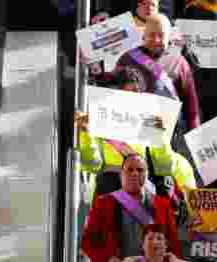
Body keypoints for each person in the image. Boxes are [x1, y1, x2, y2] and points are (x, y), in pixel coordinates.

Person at [74, 68, 197, 201]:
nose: (135, 99)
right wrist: (85, 133)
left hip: (142, 200)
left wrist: (158, 134)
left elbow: (164, 166)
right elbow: (92, 164)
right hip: (108, 199)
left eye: (138, 94)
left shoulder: (148, 121)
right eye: (129, 93)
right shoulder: (98, 121)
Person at [80, 156, 181, 262]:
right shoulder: (103, 203)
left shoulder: (163, 205)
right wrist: (108, 260)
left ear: (146, 175)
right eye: (130, 170)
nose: (135, 173)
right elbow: (87, 242)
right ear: (121, 174)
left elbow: (174, 246)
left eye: (140, 170)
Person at [115, 14, 202, 135]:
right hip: (133, 133)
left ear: (169, 37)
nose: (156, 40)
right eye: (151, 35)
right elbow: (112, 94)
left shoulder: (179, 63)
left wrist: (195, 137)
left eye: (161, 35)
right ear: (144, 36)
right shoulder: (127, 59)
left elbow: (191, 109)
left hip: (167, 136)